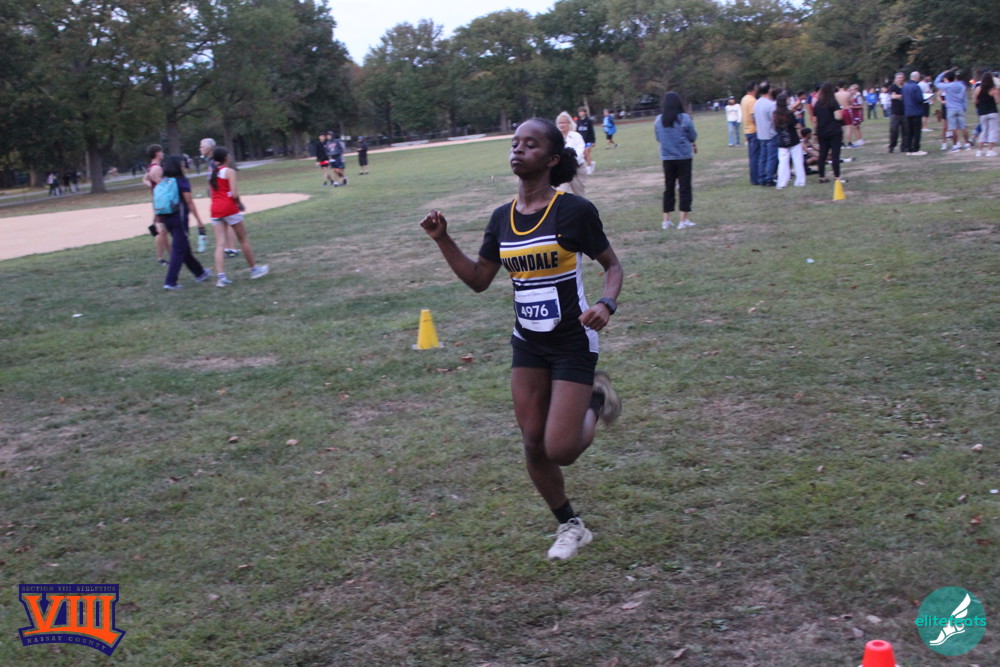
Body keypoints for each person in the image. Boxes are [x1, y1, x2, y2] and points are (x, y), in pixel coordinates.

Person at [419, 117, 623, 562]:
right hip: (528, 342)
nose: (518, 150)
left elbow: (612, 265)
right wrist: (443, 239)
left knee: (560, 449)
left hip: (572, 339)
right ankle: (570, 525)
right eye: (515, 143)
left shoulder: (574, 211)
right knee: (533, 443)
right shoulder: (502, 218)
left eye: (530, 145)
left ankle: (596, 398)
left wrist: (606, 303)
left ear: (551, 159)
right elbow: (479, 279)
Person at [209, 147, 269, 287]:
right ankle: (254, 270)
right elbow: (234, 193)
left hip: (215, 209)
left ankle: (221, 277)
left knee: (220, 244)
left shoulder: (212, 173)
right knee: (243, 239)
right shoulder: (229, 171)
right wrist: (239, 204)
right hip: (229, 208)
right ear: (226, 158)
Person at [159, 155, 211, 290]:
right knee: (178, 249)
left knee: (184, 247)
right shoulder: (181, 181)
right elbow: (189, 201)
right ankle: (170, 281)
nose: (184, 166)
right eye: (182, 164)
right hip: (179, 219)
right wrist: (199, 220)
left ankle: (200, 273)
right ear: (178, 166)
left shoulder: (164, 181)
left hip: (167, 218)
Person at [655, 91, 698, 229]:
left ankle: (666, 220)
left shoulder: (659, 120)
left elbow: (658, 138)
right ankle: (683, 220)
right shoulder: (684, 118)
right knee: (684, 187)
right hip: (683, 157)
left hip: (667, 157)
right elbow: (693, 135)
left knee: (669, 187)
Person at [199, 138, 238, 255]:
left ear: (210, 148)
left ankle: (230, 247)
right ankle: (228, 248)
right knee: (225, 221)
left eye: (202, 146)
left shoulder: (214, 161)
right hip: (218, 196)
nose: (200, 149)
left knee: (228, 221)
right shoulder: (211, 161)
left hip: (221, 195)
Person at [142, 144, 171, 265]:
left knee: (163, 229)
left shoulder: (150, 167)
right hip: (161, 201)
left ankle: (171, 255)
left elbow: (145, 179)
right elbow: (162, 186)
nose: (163, 153)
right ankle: (160, 258)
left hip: (157, 201)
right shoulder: (157, 168)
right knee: (162, 230)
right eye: (161, 151)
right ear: (157, 153)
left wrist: (151, 185)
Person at [813, 82, 846, 183]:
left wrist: (815, 133)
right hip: (834, 131)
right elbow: (838, 117)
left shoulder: (817, 104)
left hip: (822, 131)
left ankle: (821, 176)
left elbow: (815, 120)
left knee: (822, 154)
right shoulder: (833, 102)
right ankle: (837, 176)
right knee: (835, 155)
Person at [934, 69, 970, 151]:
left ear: (947, 79)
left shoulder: (947, 86)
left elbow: (936, 83)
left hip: (951, 109)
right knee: (963, 127)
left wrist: (942, 73)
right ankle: (967, 144)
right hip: (960, 108)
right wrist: (964, 107)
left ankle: (955, 145)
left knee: (953, 128)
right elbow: (964, 98)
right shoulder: (961, 85)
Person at [774, 94, 805, 188]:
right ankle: (800, 181)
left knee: (783, 162)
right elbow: (796, 124)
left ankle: (782, 182)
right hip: (793, 139)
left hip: (782, 140)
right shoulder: (789, 113)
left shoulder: (775, 114)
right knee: (798, 161)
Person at [555, 111, 587, 196]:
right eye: (559, 123)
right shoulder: (555, 138)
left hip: (577, 169)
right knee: (559, 194)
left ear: (569, 123)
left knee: (579, 196)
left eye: (563, 123)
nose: (561, 125)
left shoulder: (576, 136)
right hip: (562, 171)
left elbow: (580, 152)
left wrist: (570, 163)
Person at [753, 82, 777, 186]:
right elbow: (774, 119)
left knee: (762, 157)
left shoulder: (756, 103)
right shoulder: (771, 104)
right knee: (771, 157)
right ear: (769, 90)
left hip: (761, 134)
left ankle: (761, 177)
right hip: (770, 134)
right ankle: (769, 178)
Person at [972, 72, 999, 156]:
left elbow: (975, 101)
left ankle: (979, 151)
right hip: (992, 111)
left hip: (982, 112)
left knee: (984, 131)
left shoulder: (978, 89)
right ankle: (990, 150)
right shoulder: (993, 89)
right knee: (993, 130)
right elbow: (997, 101)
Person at [902, 71, 928, 155]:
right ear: (917, 78)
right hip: (916, 112)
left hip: (907, 112)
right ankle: (916, 149)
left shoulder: (904, 87)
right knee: (916, 132)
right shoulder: (916, 87)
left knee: (909, 132)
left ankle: (909, 149)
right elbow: (920, 99)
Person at [887, 73, 906, 153]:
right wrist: (903, 96)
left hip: (905, 112)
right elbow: (893, 96)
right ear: (896, 79)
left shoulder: (905, 87)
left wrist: (900, 96)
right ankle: (892, 146)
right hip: (895, 113)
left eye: (902, 78)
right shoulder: (893, 87)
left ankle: (904, 147)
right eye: (899, 78)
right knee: (894, 131)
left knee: (905, 131)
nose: (900, 79)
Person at [575, 107, 597, 174]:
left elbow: (592, 131)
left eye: (581, 111)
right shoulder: (578, 121)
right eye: (579, 112)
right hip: (581, 141)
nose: (580, 113)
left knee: (586, 153)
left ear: (584, 112)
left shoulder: (588, 121)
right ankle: (591, 163)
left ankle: (589, 168)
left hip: (588, 141)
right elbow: (577, 131)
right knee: (583, 155)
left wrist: (593, 141)